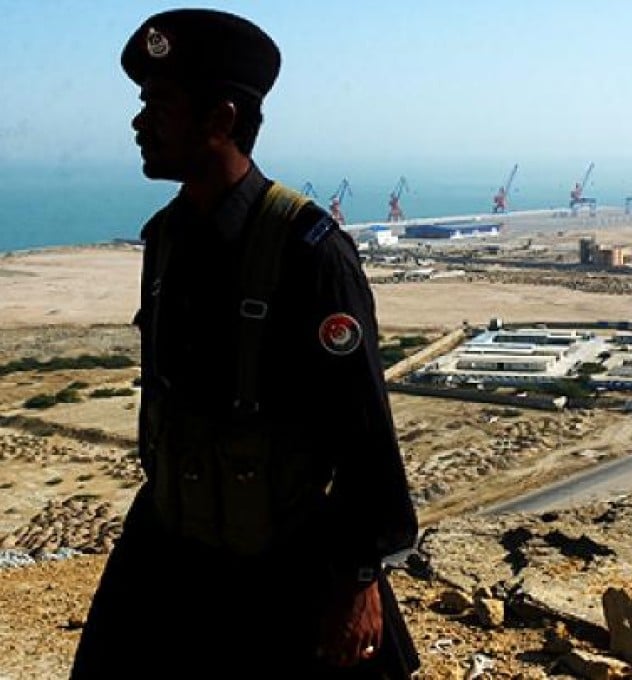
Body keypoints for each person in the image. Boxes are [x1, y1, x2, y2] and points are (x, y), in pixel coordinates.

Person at [70, 8, 420, 679]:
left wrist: (357, 579)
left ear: (220, 119)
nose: (139, 124)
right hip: (171, 545)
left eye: (159, 105)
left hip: (280, 563)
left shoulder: (310, 252)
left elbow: (364, 430)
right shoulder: (166, 239)